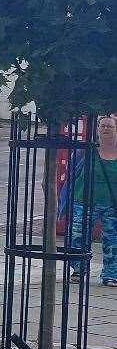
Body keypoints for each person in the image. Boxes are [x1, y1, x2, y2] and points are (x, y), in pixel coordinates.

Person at [68, 114, 117, 286]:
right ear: (97, 130)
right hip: (84, 200)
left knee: (113, 239)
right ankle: (79, 269)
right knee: (78, 235)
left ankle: (111, 274)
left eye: (109, 126)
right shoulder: (86, 150)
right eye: (102, 126)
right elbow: (72, 172)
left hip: (112, 204)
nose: (105, 129)